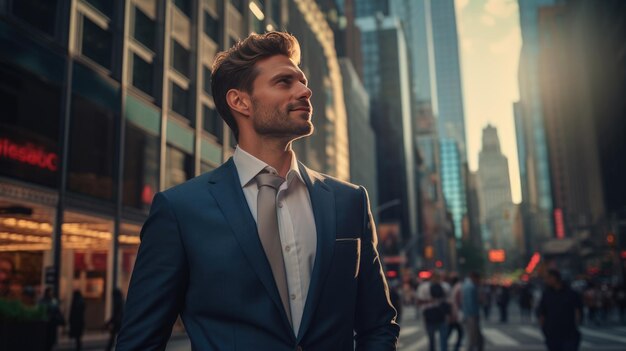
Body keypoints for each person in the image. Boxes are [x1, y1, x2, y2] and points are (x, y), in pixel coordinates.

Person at [116, 31, 399, 350]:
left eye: (302, 81)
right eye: (284, 82)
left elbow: (378, 325)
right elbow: (139, 341)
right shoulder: (180, 211)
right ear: (240, 101)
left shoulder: (350, 201)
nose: (305, 91)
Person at [537, 269, 583, 351]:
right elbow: (541, 312)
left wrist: (576, 325)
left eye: (548, 278)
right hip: (552, 333)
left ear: (554, 278)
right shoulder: (546, 294)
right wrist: (544, 329)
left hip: (569, 333)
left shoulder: (571, 294)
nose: (546, 280)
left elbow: (578, 311)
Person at [416, 271, 450, 351]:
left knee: (432, 339)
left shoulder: (423, 287)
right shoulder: (445, 286)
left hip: (429, 314)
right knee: (443, 339)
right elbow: (449, 301)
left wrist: (429, 301)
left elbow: (418, 302)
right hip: (441, 313)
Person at [462, 272, 484, 351]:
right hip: (471, 315)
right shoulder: (471, 287)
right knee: (473, 338)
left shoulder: (466, 285)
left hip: (469, 314)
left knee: (476, 337)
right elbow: (470, 302)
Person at [38, 287, 65, 351]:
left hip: (52, 323)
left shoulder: (52, 301)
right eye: (50, 292)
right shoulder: (46, 301)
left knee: (50, 340)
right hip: (47, 324)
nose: (51, 293)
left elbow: (57, 310)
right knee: (47, 340)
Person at [446, 274, 464, 351]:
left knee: (452, 331)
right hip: (455, 313)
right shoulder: (458, 287)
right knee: (459, 332)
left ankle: (447, 345)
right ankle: (455, 347)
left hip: (453, 313)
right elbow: (459, 301)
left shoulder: (454, 288)